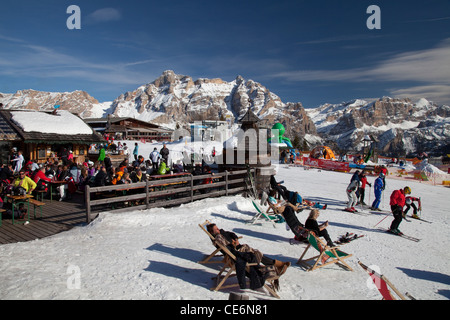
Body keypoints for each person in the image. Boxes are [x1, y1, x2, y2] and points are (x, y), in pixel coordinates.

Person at [207, 223, 290, 289]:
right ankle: (277, 265)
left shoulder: (222, 232)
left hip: (239, 248)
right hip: (236, 253)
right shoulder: (218, 238)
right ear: (212, 232)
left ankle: (277, 264)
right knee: (255, 254)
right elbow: (229, 249)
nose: (218, 229)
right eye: (216, 229)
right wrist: (234, 244)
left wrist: (235, 239)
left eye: (217, 228)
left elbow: (231, 233)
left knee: (256, 252)